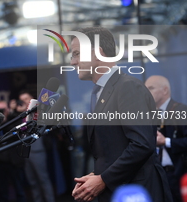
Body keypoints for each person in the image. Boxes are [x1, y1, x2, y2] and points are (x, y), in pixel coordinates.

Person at [70, 27, 173, 202]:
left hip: (139, 192)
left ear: (98, 54)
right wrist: (96, 175)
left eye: (77, 54)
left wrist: (103, 179)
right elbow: (115, 149)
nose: (73, 62)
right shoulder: (101, 92)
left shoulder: (127, 87)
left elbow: (142, 144)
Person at [145, 75, 187, 202]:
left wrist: (166, 142)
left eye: (151, 88)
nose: (147, 93)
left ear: (165, 90)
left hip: (179, 174)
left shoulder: (181, 111)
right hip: (159, 175)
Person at [18, 91, 56, 202]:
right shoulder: (21, 114)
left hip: (37, 150)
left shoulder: (39, 111)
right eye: (22, 99)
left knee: (43, 179)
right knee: (32, 181)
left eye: (26, 98)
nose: (24, 101)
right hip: (25, 151)